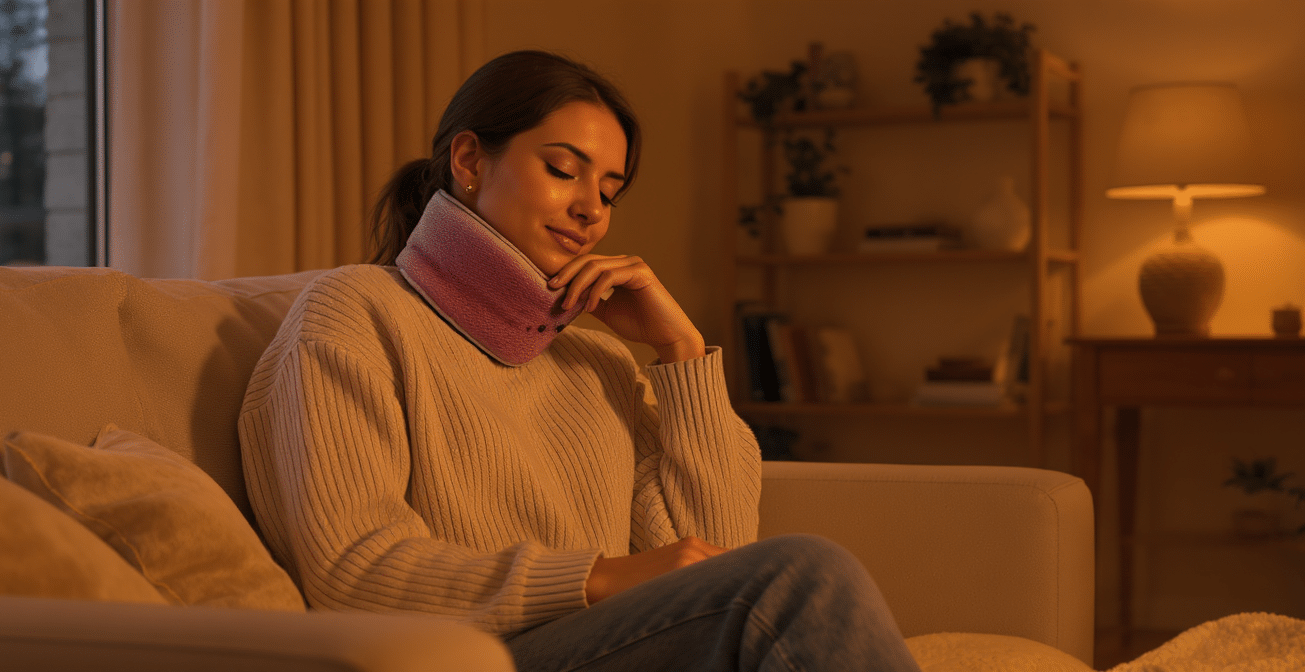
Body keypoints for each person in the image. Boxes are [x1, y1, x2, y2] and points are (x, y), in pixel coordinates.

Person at [238, 50, 920, 672]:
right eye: (563, 170)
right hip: (468, 656)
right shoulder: (353, 312)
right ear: (470, 161)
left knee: (793, 580)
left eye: (610, 190)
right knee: (805, 574)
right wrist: (595, 577)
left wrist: (679, 352)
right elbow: (352, 571)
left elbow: (711, 559)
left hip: (602, 644)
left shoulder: (598, 360)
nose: (591, 208)